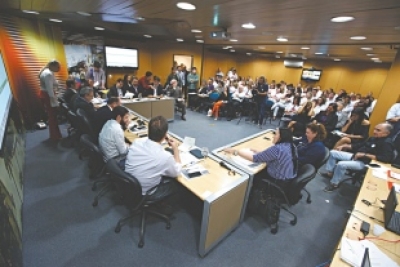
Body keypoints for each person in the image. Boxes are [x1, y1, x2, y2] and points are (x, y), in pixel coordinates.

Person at [322, 123, 394, 192]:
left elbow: (385, 158)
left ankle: (334, 184)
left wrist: (364, 155)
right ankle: (330, 173)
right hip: (356, 156)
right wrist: (344, 146)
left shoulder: (387, 143)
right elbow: (360, 145)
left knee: (341, 164)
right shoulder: (373, 138)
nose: (374, 131)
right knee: (333, 152)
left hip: (365, 163)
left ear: (386, 133)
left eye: (378, 130)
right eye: (375, 129)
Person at [224, 127, 298, 189]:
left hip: (278, 181)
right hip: (288, 179)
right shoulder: (291, 146)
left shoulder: (277, 149)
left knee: (253, 176)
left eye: (276, 134)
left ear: (281, 137)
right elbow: (272, 155)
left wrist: (235, 151)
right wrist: (260, 152)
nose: (273, 136)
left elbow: (254, 158)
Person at [125, 116, 181, 195]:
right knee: (175, 184)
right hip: (144, 192)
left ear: (149, 131)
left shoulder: (137, 142)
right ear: (165, 134)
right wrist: (175, 149)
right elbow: (177, 172)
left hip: (128, 184)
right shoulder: (165, 157)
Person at [38, 59, 62, 141]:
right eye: (58, 67)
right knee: (52, 117)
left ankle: (56, 135)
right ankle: (55, 136)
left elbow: (53, 83)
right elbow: (50, 90)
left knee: (52, 116)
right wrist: (55, 102)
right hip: (47, 96)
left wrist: (57, 84)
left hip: (45, 95)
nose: (59, 69)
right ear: (53, 66)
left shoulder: (47, 71)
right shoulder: (48, 74)